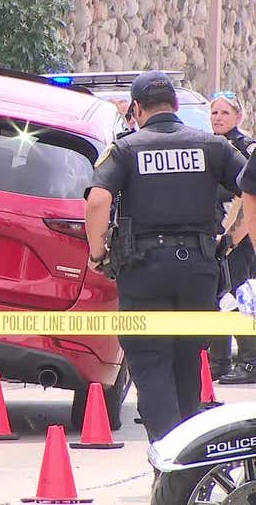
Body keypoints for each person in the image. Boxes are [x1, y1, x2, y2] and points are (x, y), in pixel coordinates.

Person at [84, 71, 247, 443]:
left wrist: (98, 254)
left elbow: (97, 200)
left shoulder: (126, 148)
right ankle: (190, 465)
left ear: (137, 109)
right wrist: (233, 238)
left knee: (151, 362)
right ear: (176, 106)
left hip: (144, 271)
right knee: (188, 364)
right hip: (199, 270)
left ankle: (169, 461)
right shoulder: (212, 146)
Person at [208, 91, 256, 384]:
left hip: (239, 239)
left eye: (225, 113)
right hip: (215, 237)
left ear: (238, 117)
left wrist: (231, 239)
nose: (218, 118)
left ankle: (250, 361)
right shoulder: (211, 146)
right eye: (214, 113)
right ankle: (220, 362)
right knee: (218, 298)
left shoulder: (246, 148)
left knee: (240, 297)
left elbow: (247, 196)